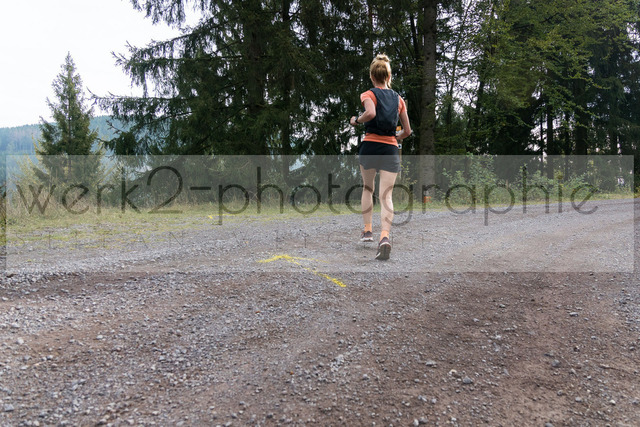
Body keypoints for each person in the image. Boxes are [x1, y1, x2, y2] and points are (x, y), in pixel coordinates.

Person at [350, 54, 411, 260]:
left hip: (370, 146)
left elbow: (370, 114)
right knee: (387, 196)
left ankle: (368, 231)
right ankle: (384, 237)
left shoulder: (368, 94)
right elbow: (407, 131)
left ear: (371, 76)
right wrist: (396, 137)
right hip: (390, 149)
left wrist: (356, 121)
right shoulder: (399, 99)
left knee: (368, 188)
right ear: (388, 76)